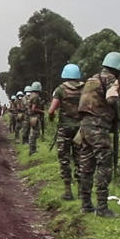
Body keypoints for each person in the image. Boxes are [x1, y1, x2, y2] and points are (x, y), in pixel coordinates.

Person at [76, 52, 120, 217]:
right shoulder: (111, 79)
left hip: (84, 127)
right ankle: (102, 208)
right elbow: (111, 99)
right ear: (118, 68)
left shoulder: (92, 79)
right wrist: (116, 110)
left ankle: (86, 205)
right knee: (104, 165)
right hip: (98, 127)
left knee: (86, 167)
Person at [48, 64, 85, 200]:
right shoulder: (85, 89)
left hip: (65, 129)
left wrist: (51, 118)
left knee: (64, 160)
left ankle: (68, 191)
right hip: (80, 130)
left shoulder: (60, 90)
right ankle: (81, 191)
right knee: (80, 159)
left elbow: (52, 110)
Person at [26, 81, 45, 154]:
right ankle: (32, 150)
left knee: (32, 133)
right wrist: (42, 111)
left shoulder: (31, 95)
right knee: (34, 134)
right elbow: (33, 109)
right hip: (35, 117)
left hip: (31, 117)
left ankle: (32, 150)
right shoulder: (36, 97)